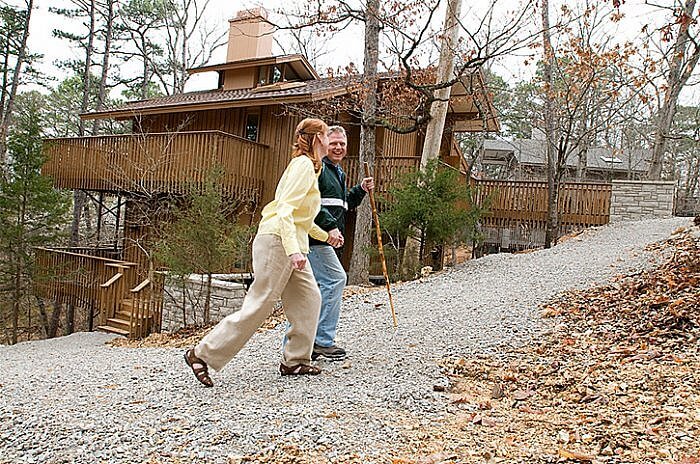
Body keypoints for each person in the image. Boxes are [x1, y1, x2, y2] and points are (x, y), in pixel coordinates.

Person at [184, 118, 343, 387]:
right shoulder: (303, 165)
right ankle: (201, 354)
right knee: (260, 304)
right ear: (317, 139)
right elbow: (284, 211)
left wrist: (324, 235)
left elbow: (302, 219)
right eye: (328, 136)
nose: (332, 141)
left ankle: (295, 360)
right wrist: (293, 251)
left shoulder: (312, 168)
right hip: (277, 241)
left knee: (310, 299)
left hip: (292, 242)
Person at [308, 125, 374, 361]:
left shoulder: (337, 171)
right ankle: (321, 341)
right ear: (325, 143)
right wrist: (330, 226)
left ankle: (302, 344)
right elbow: (312, 204)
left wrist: (361, 190)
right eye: (334, 143)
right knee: (336, 279)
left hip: (326, 238)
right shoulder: (317, 167)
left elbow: (343, 203)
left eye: (342, 144)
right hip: (314, 238)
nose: (338, 147)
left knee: (312, 290)